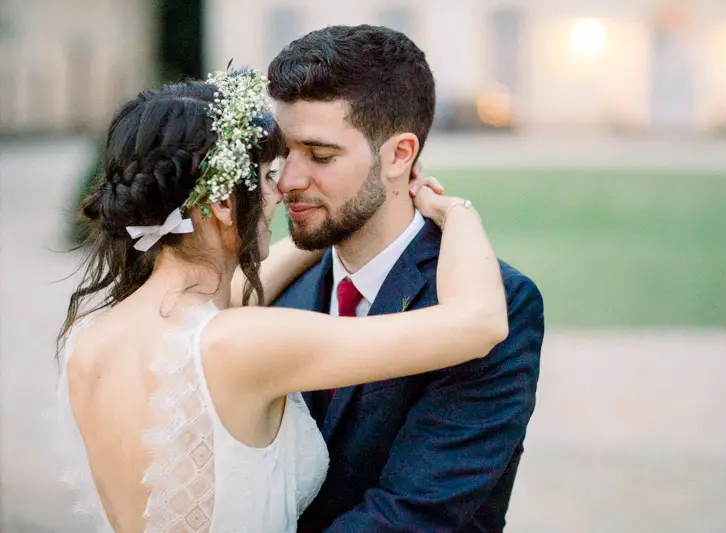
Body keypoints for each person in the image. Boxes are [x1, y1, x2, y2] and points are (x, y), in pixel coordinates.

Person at [54, 68, 508, 533]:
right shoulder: (244, 343)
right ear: (226, 205)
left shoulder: (90, 338)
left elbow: (216, 301)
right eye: (268, 177)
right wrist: (455, 211)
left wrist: (332, 228)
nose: (282, 191)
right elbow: (479, 322)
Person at [268, 25, 545, 532]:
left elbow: (413, 515)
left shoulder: (500, 302)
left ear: (399, 155)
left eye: (321, 156)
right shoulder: (275, 291)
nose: (287, 181)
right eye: (282, 152)